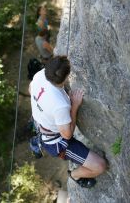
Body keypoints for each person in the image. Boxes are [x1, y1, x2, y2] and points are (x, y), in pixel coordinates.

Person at [29, 56, 107, 188]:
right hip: (57, 142)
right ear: (66, 78)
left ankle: (39, 138)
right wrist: (74, 105)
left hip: (41, 124)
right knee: (100, 166)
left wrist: (43, 108)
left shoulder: (40, 75)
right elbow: (67, 135)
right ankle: (75, 175)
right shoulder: (60, 105)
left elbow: (31, 88)